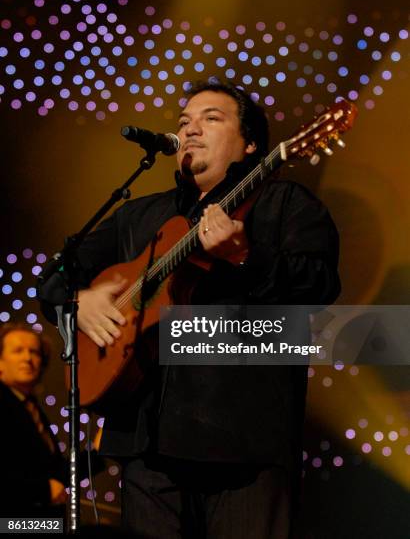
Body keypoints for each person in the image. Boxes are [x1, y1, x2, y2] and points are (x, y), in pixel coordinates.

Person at [44, 81, 341, 537]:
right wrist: (75, 302)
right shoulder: (138, 216)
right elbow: (57, 274)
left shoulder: (286, 204)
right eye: (184, 121)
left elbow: (319, 286)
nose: (191, 129)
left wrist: (245, 257)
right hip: (146, 445)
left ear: (251, 143)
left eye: (211, 118)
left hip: (245, 443)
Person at [0, 323, 67, 516]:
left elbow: (53, 472)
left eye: (35, 352)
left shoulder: (31, 407)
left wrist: (95, 454)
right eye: (18, 351)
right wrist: (42, 490)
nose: (28, 358)